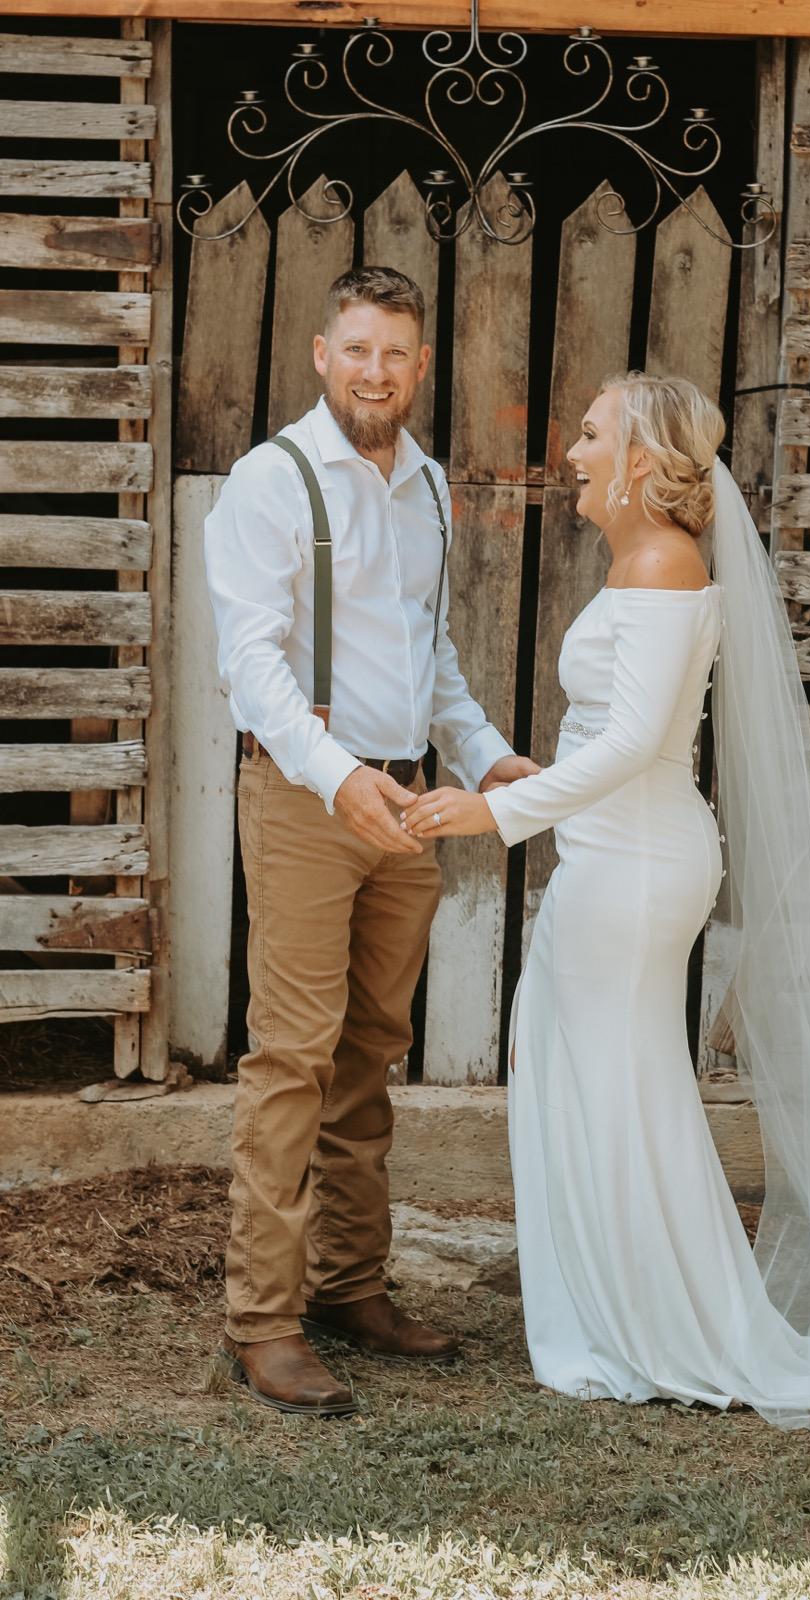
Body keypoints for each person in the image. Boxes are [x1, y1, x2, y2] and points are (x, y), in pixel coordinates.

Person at [401, 371, 810, 1434]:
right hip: (610, 855)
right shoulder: (639, 560)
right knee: (588, 1074)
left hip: (637, 866)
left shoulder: (662, 560)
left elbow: (631, 744)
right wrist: (525, 777)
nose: (569, 454)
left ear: (637, 458)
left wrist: (494, 818)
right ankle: (627, 1304)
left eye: (587, 435)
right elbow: (621, 731)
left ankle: (679, 1324)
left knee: (627, 1092)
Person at [204, 266, 538, 1416]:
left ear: (419, 363)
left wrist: (486, 753)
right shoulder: (271, 479)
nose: (375, 372)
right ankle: (262, 1319)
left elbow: (429, 656)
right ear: (318, 352)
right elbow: (249, 664)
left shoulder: (431, 487)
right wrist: (338, 776)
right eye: (356, 349)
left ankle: (350, 1284)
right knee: (293, 1053)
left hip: (407, 803)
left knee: (370, 1051)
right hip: (307, 799)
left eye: (395, 352)